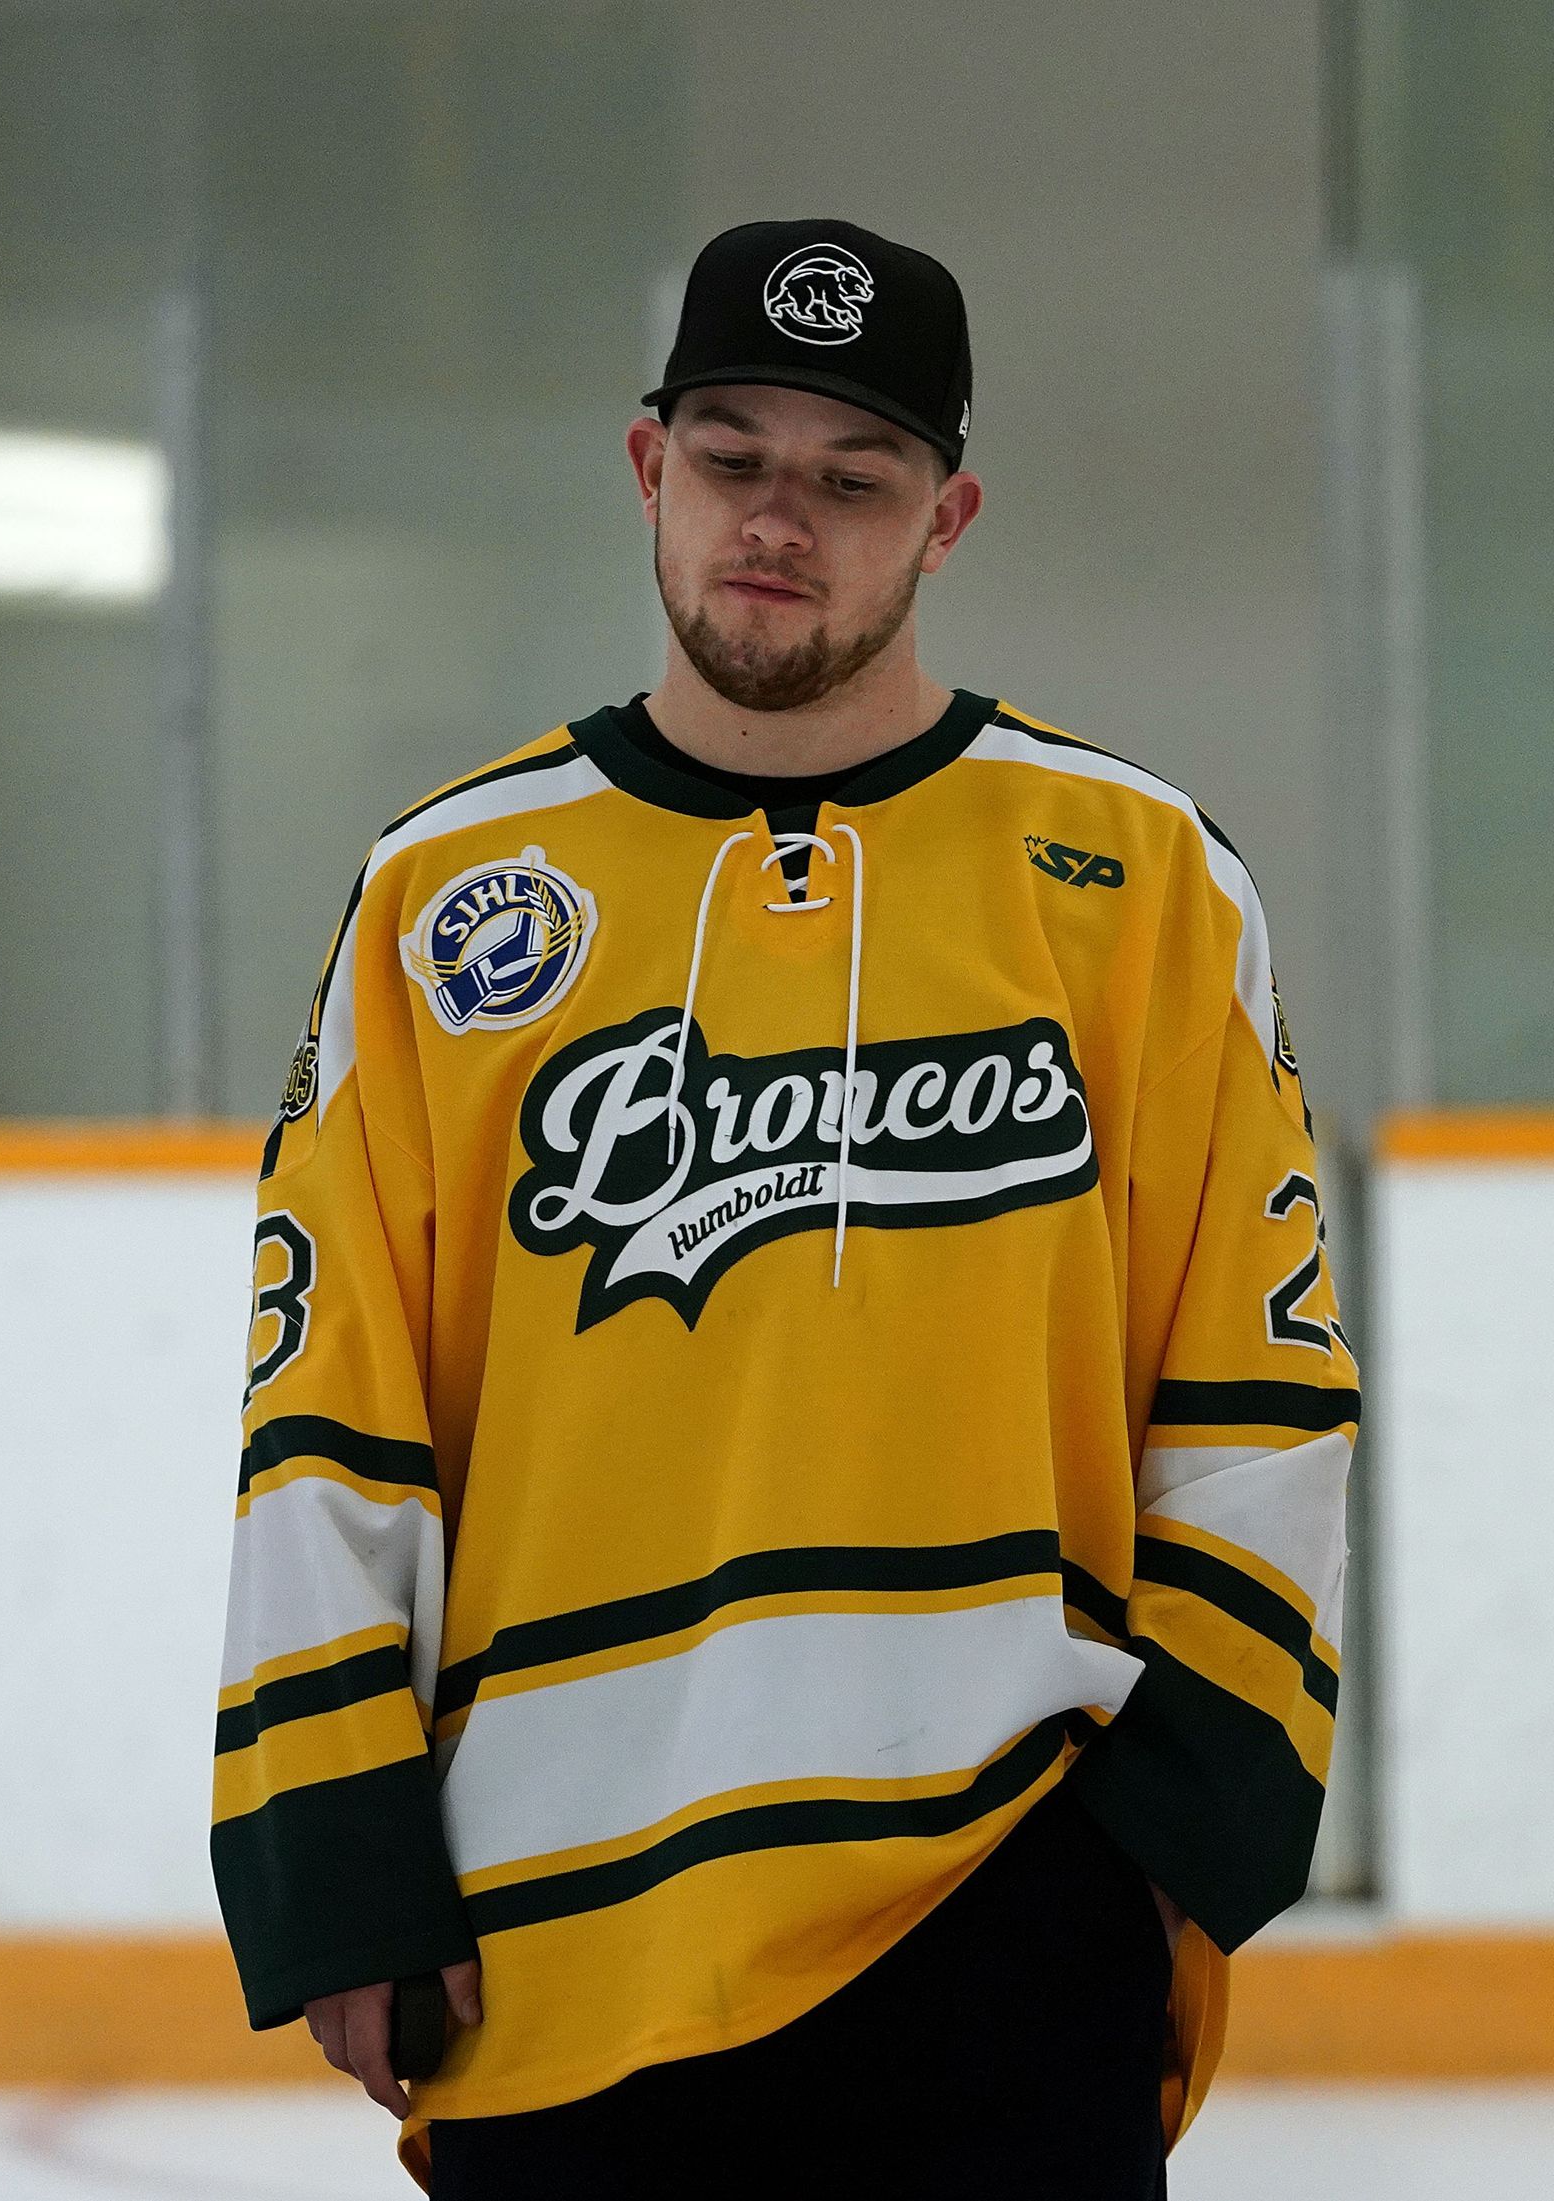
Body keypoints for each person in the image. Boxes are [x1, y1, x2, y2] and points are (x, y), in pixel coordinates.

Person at [210, 217, 1358, 2197]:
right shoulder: (442, 896)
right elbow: (333, 1414)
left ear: (951, 516)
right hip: (547, 1933)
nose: (781, 520)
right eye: (736, 456)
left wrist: (1175, 1840)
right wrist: (339, 1858)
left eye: (855, 478)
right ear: (647, 467)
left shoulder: (1142, 878)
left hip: (1010, 1912)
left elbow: (1257, 1383)